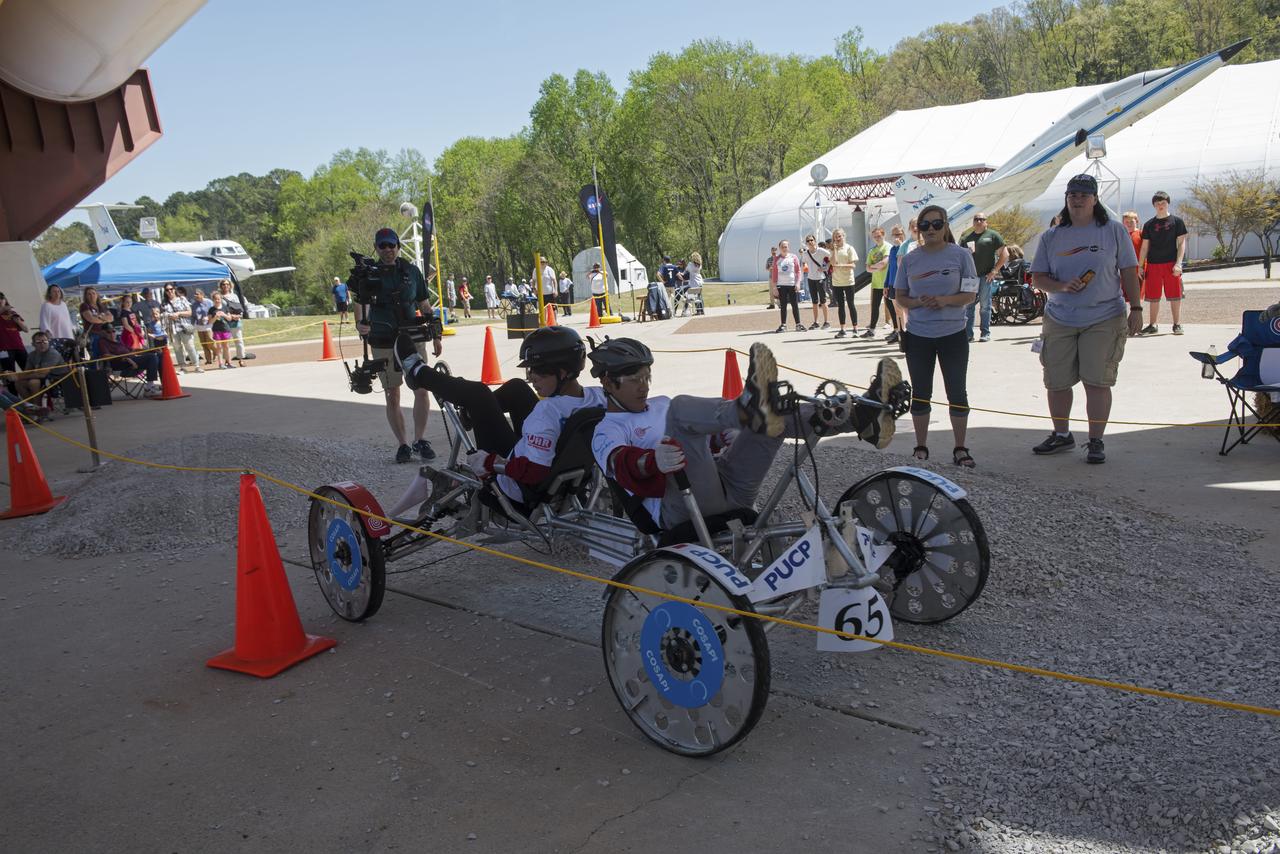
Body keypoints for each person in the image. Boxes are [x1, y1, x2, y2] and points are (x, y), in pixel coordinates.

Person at [589, 339, 906, 533]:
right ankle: (749, 408)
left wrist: (722, 436)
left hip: (730, 488)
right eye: (634, 379)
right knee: (683, 407)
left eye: (647, 377)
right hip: (679, 507)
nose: (644, 385)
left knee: (773, 416)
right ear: (608, 382)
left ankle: (858, 418)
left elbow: (702, 442)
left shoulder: (658, 404)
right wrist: (652, 461)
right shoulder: (606, 430)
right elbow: (621, 465)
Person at [390, 325, 605, 515]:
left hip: (517, 488)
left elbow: (534, 472)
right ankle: (476, 412)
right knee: (517, 388)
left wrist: (489, 462)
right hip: (562, 476)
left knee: (478, 393)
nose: (531, 377)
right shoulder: (598, 398)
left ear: (563, 372)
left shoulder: (546, 412)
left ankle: (418, 372)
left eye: (537, 372)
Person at [1030, 173, 1142, 464]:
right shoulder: (1052, 236)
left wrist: (1138, 309)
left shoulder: (1113, 231)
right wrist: (1061, 287)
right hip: (1060, 317)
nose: (1077, 200)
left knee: (1097, 381)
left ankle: (1095, 441)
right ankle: (1062, 434)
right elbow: (1039, 277)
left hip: (1104, 316)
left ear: (1095, 199)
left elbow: (1129, 271)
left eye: (1083, 195)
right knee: (1056, 381)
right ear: (1066, 200)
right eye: (1072, 195)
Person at [893, 203, 979, 467]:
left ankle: (961, 448)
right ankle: (920, 447)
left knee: (957, 392)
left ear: (946, 226)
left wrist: (944, 300)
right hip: (919, 336)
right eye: (925, 225)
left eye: (937, 224)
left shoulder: (961, 255)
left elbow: (971, 294)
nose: (931, 229)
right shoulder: (909, 259)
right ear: (918, 229)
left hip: (953, 333)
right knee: (920, 393)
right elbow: (900, 297)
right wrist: (920, 302)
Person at [352, 226, 443, 463]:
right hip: (382, 338)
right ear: (376, 248)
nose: (387, 250)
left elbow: (424, 304)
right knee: (392, 393)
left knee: (421, 388)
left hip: (412, 337)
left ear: (398, 246)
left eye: (391, 244)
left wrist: (436, 334)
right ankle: (403, 444)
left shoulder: (412, 272)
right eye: (382, 245)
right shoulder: (367, 275)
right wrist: (360, 325)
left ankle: (420, 439)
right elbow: (360, 303)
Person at [1137, 190, 1188, 336]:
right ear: (1154, 205)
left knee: (1175, 295)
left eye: (1163, 203)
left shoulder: (1177, 222)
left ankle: (1177, 324)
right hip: (1153, 264)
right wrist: (1140, 266)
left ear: (1168, 204)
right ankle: (1153, 324)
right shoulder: (1148, 225)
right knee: (1153, 296)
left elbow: (1181, 244)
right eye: (1158, 203)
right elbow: (1145, 247)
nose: (1160, 205)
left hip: (1171, 264)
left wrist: (1179, 263)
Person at [960, 212, 1008, 343]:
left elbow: (1005, 254)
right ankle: (968, 334)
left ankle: (985, 333)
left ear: (986, 222)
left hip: (985, 276)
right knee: (968, 306)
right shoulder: (966, 238)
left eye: (982, 219)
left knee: (985, 306)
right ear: (973, 222)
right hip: (970, 277)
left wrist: (994, 271)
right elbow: (960, 257)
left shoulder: (993, 236)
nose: (979, 221)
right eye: (976, 219)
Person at [98, 324, 161, 396]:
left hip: (133, 361)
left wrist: (150, 350)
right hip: (122, 364)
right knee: (152, 357)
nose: (112, 334)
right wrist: (125, 358)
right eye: (108, 332)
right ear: (103, 333)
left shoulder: (119, 341)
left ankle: (164, 384)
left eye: (113, 331)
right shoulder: (103, 342)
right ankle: (149, 389)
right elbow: (105, 355)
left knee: (158, 355)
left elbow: (133, 350)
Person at [14, 331, 68, 401]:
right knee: (18, 383)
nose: (42, 344)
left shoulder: (52, 353)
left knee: (33, 382)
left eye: (45, 341)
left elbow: (42, 374)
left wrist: (18, 376)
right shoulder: (32, 355)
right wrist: (11, 374)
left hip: (58, 379)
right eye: (38, 342)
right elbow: (27, 371)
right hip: (43, 378)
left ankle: (38, 406)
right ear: (33, 344)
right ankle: (31, 406)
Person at [864, 227, 897, 338]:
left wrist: (874, 267)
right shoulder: (872, 250)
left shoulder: (888, 247)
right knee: (875, 306)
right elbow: (867, 268)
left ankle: (896, 329)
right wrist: (876, 267)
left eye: (879, 236)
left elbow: (884, 263)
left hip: (887, 282)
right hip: (876, 283)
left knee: (890, 306)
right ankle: (872, 330)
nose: (877, 238)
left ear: (883, 235)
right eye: (875, 237)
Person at [828, 228, 860, 338]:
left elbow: (853, 265)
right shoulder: (833, 250)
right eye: (835, 236)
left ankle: (855, 328)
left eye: (839, 236)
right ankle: (842, 329)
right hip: (837, 282)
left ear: (843, 236)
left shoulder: (849, 248)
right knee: (840, 305)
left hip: (848, 281)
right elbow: (833, 263)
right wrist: (835, 250)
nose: (837, 238)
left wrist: (842, 266)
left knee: (851, 304)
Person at [162, 285, 201, 372]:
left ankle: (197, 365)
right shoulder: (164, 302)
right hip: (172, 328)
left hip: (184, 326)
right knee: (177, 348)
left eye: (171, 289)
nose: (169, 291)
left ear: (174, 289)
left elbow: (189, 312)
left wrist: (178, 314)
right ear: (165, 291)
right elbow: (162, 314)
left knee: (190, 346)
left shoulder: (182, 299)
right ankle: (182, 367)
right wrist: (168, 316)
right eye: (167, 290)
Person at [770, 240, 803, 333]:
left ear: (788, 247)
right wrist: (774, 287)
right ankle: (783, 325)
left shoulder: (794, 257)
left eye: (786, 246)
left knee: (794, 305)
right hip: (781, 285)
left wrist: (798, 283)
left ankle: (798, 324)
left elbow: (798, 271)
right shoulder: (776, 259)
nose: (784, 248)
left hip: (792, 285)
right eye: (782, 247)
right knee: (783, 306)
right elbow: (774, 274)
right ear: (779, 248)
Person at [39, 285, 78, 360]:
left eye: (58, 291)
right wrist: (49, 337)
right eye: (54, 291)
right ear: (49, 294)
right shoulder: (46, 305)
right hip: (55, 337)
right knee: (58, 359)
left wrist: (73, 332)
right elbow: (44, 322)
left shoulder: (63, 305)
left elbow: (68, 320)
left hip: (68, 336)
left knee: (70, 358)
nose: (57, 293)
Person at [882, 225, 906, 344]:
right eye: (894, 234)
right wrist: (886, 284)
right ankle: (900, 334)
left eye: (899, 234)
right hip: (892, 283)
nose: (896, 237)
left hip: (901, 283)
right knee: (897, 312)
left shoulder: (905, 247)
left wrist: (901, 245)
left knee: (904, 311)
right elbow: (890, 267)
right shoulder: (892, 249)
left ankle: (906, 335)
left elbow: (903, 263)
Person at [801, 235, 830, 330]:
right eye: (808, 241)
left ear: (815, 241)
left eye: (811, 240)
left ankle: (826, 322)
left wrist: (825, 266)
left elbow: (831, 256)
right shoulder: (805, 254)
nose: (810, 242)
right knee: (814, 302)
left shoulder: (821, 251)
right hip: (811, 278)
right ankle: (816, 322)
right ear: (806, 243)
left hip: (821, 278)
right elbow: (803, 262)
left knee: (823, 301)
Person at [78, 286, 114, 359]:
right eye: (89, 294)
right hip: (93, 335)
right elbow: (91, 319)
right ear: (86, 296)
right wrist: (103, 318)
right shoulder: (84, 306)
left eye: (93, 293)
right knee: (96, 357)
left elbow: (111, 318)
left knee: (106, 356)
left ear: (97, 295)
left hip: (105, 334)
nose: (92, 296)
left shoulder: (101, 306)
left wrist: (99, 317)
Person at [218, 279, 248, 364]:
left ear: (230, 285)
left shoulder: (234, 296)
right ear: (221, 286)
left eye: (227, 284)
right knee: (225, 343)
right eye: (223, 284)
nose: (226, 285)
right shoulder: (219, 296)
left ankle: (241, 359)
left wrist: (238, 315)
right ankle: (227, 360)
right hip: (224, 322)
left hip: (236, 321)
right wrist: (228, 316)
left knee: (239, 340)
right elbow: (219, 308)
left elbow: (239, 307)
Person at [209, 291, 237, 369]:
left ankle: (229, 363)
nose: (217, 300)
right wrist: (215, 317)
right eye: (215, 299)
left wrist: (223, 314)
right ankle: (221, 364)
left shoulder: (225, 307)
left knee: (226, 346)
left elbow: (230, 318)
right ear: (213, 300)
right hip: (216, 330)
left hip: (225, 329)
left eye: (218, 299)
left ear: (221, 299)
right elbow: (210, 321)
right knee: (219, 347)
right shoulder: (211, 309)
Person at [191, 287, 216, 366]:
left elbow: (214, 312)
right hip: (199, 326)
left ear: (202, 295)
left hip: (208, 325)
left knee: (210, 342)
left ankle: (216, 352)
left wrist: (208, 317)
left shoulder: (209, 302)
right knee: (204, 344)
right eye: (195, 295)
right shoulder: (194, 304)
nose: (195, 296)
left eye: (197, 294)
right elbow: (193, 316)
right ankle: (208, 360)